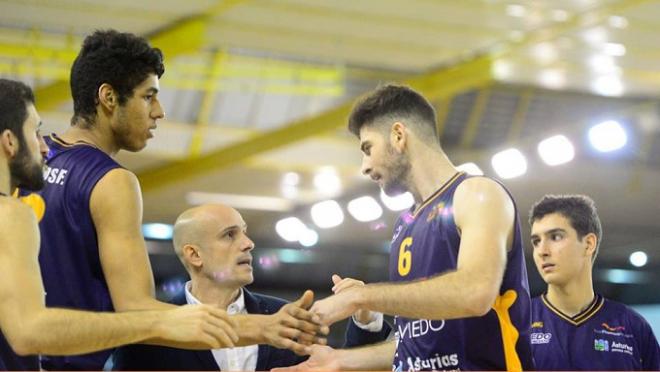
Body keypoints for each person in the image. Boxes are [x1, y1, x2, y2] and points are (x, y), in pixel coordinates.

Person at [18, 30, 323, 370]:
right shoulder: (111, 181)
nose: (159, 111)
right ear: (108, 97)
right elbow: (139, 312)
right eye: (148, 97)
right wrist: (260, 326)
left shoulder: (19, 159)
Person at [283, 84, 534, 371]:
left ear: (398, 135)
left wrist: (359, 297)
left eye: (368, 148)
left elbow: (475, 292)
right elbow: (415, 342)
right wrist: (340, 360)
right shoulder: (405, 224)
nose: (364, 166)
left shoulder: (476, 193)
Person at [0, 78, 240, 371]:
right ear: (10, 141)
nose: (43, 146)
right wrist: (161, 320)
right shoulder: (11, 214)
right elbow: (29, 331)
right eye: (34, 132)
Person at [113, 204, 389, 371]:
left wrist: (365, 319)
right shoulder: (152, 332)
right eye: (230, 235)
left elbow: (339, 367)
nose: (248, 243)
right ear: (194, 255)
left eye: (244, 232)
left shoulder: (284, 316)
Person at [528, 194, 659, 370]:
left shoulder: (633, 326)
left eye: (556, 237)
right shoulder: (518, 322)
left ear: (589, 244)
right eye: (536, 241)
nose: (542, 251)